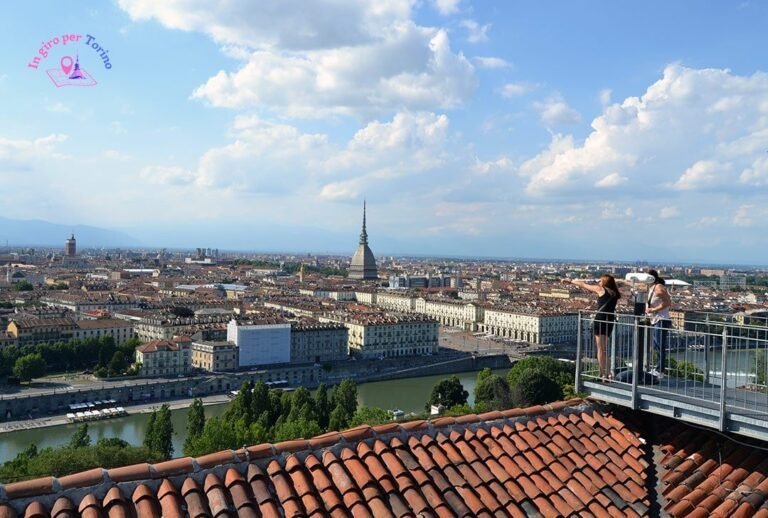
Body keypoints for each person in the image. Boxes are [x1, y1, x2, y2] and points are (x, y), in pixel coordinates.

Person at [562, 274, 621, 380]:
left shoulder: (601, 290)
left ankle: (603, 373)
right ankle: (609, 373)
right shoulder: (615, 293)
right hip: (610, 320)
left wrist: (570, 281)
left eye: (600, 281)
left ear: (604, 282)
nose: (598, 282)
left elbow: (584, 285)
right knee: (604, 349)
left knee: (600, 348)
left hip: (600, 319)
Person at [646, 269, 672, 378]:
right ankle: (658, 368)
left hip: (661, 319)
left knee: (659, 346)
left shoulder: (658, 287)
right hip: (657, 320)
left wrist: (653, 310)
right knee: (657, 346)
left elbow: (668, 302)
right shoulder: (653, 287)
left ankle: (660, 370)